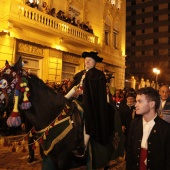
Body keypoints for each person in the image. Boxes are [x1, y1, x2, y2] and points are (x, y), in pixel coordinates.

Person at [65, 51, 111, 159]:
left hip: (91, 103)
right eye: (86, 60)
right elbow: (75, 87)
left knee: (87, 118)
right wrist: (65, 98)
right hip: (77, 100)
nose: (87, 62)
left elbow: (97, 92)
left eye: (89, 60)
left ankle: (83, 146)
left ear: (95, 63)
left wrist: (82, 93)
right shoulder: (81, 74)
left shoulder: (98, 75)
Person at [126, 87, 170, 170]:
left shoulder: (166, 129)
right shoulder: (135, 123)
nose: (135, 105)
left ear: (152, 104)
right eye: (136, 101)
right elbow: (130, 151)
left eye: (140, 101)